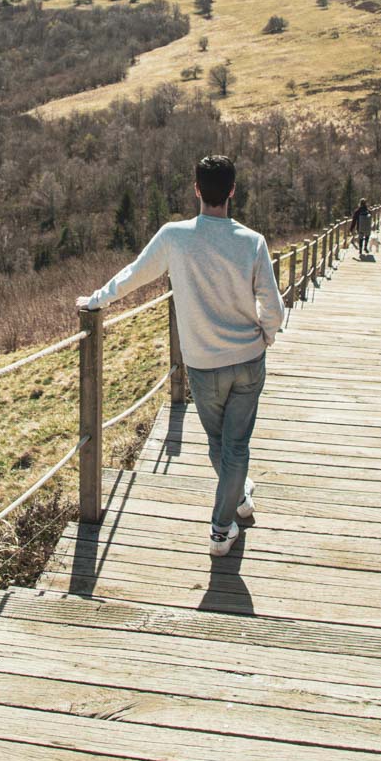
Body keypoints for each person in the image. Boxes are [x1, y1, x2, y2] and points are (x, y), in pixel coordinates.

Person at [76, 155, 285, 557]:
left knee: (218, 441)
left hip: (204, 363)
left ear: (196, 189)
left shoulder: (175, 237)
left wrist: (97, 300)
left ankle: (228, 514)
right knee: (236, 445)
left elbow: (134, 274)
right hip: (248, 359)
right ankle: (228, 517)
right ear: (232, 191)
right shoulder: (252, 242)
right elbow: (271, 307)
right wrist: (267, 336)